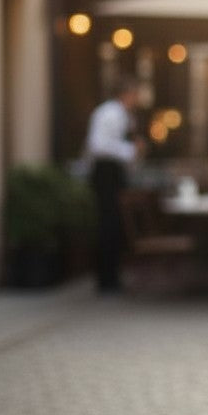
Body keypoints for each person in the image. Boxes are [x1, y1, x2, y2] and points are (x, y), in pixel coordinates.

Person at [85, 75, 144, 292]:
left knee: (116, 224)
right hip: (105, 173)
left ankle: (112, 276)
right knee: (108, 224)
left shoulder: (125, 116)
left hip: (115, 173)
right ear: (127, 94)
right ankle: (105, 279)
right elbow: (97, 145)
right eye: (136, 95)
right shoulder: (108, 113)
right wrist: (129, 150)